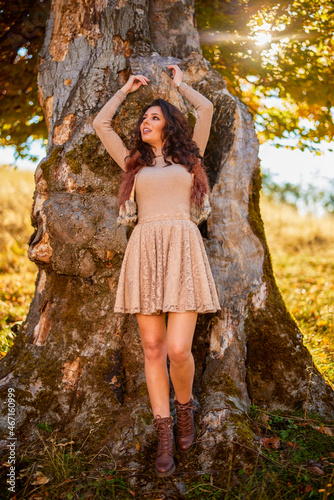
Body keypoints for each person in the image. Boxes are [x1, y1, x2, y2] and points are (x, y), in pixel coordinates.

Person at [93, 64, 220, 477]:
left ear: (169, 125)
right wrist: (126, 88)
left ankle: (186, 409)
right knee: (153, 350)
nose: (146, 123)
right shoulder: (133, 163)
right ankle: (164, 429)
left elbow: (206, 111)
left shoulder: (190, 158)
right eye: (144, 118)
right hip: (145, 251)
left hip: (183, 250)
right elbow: (101, 123)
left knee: (179, 349)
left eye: (154, 117)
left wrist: (181, 87)